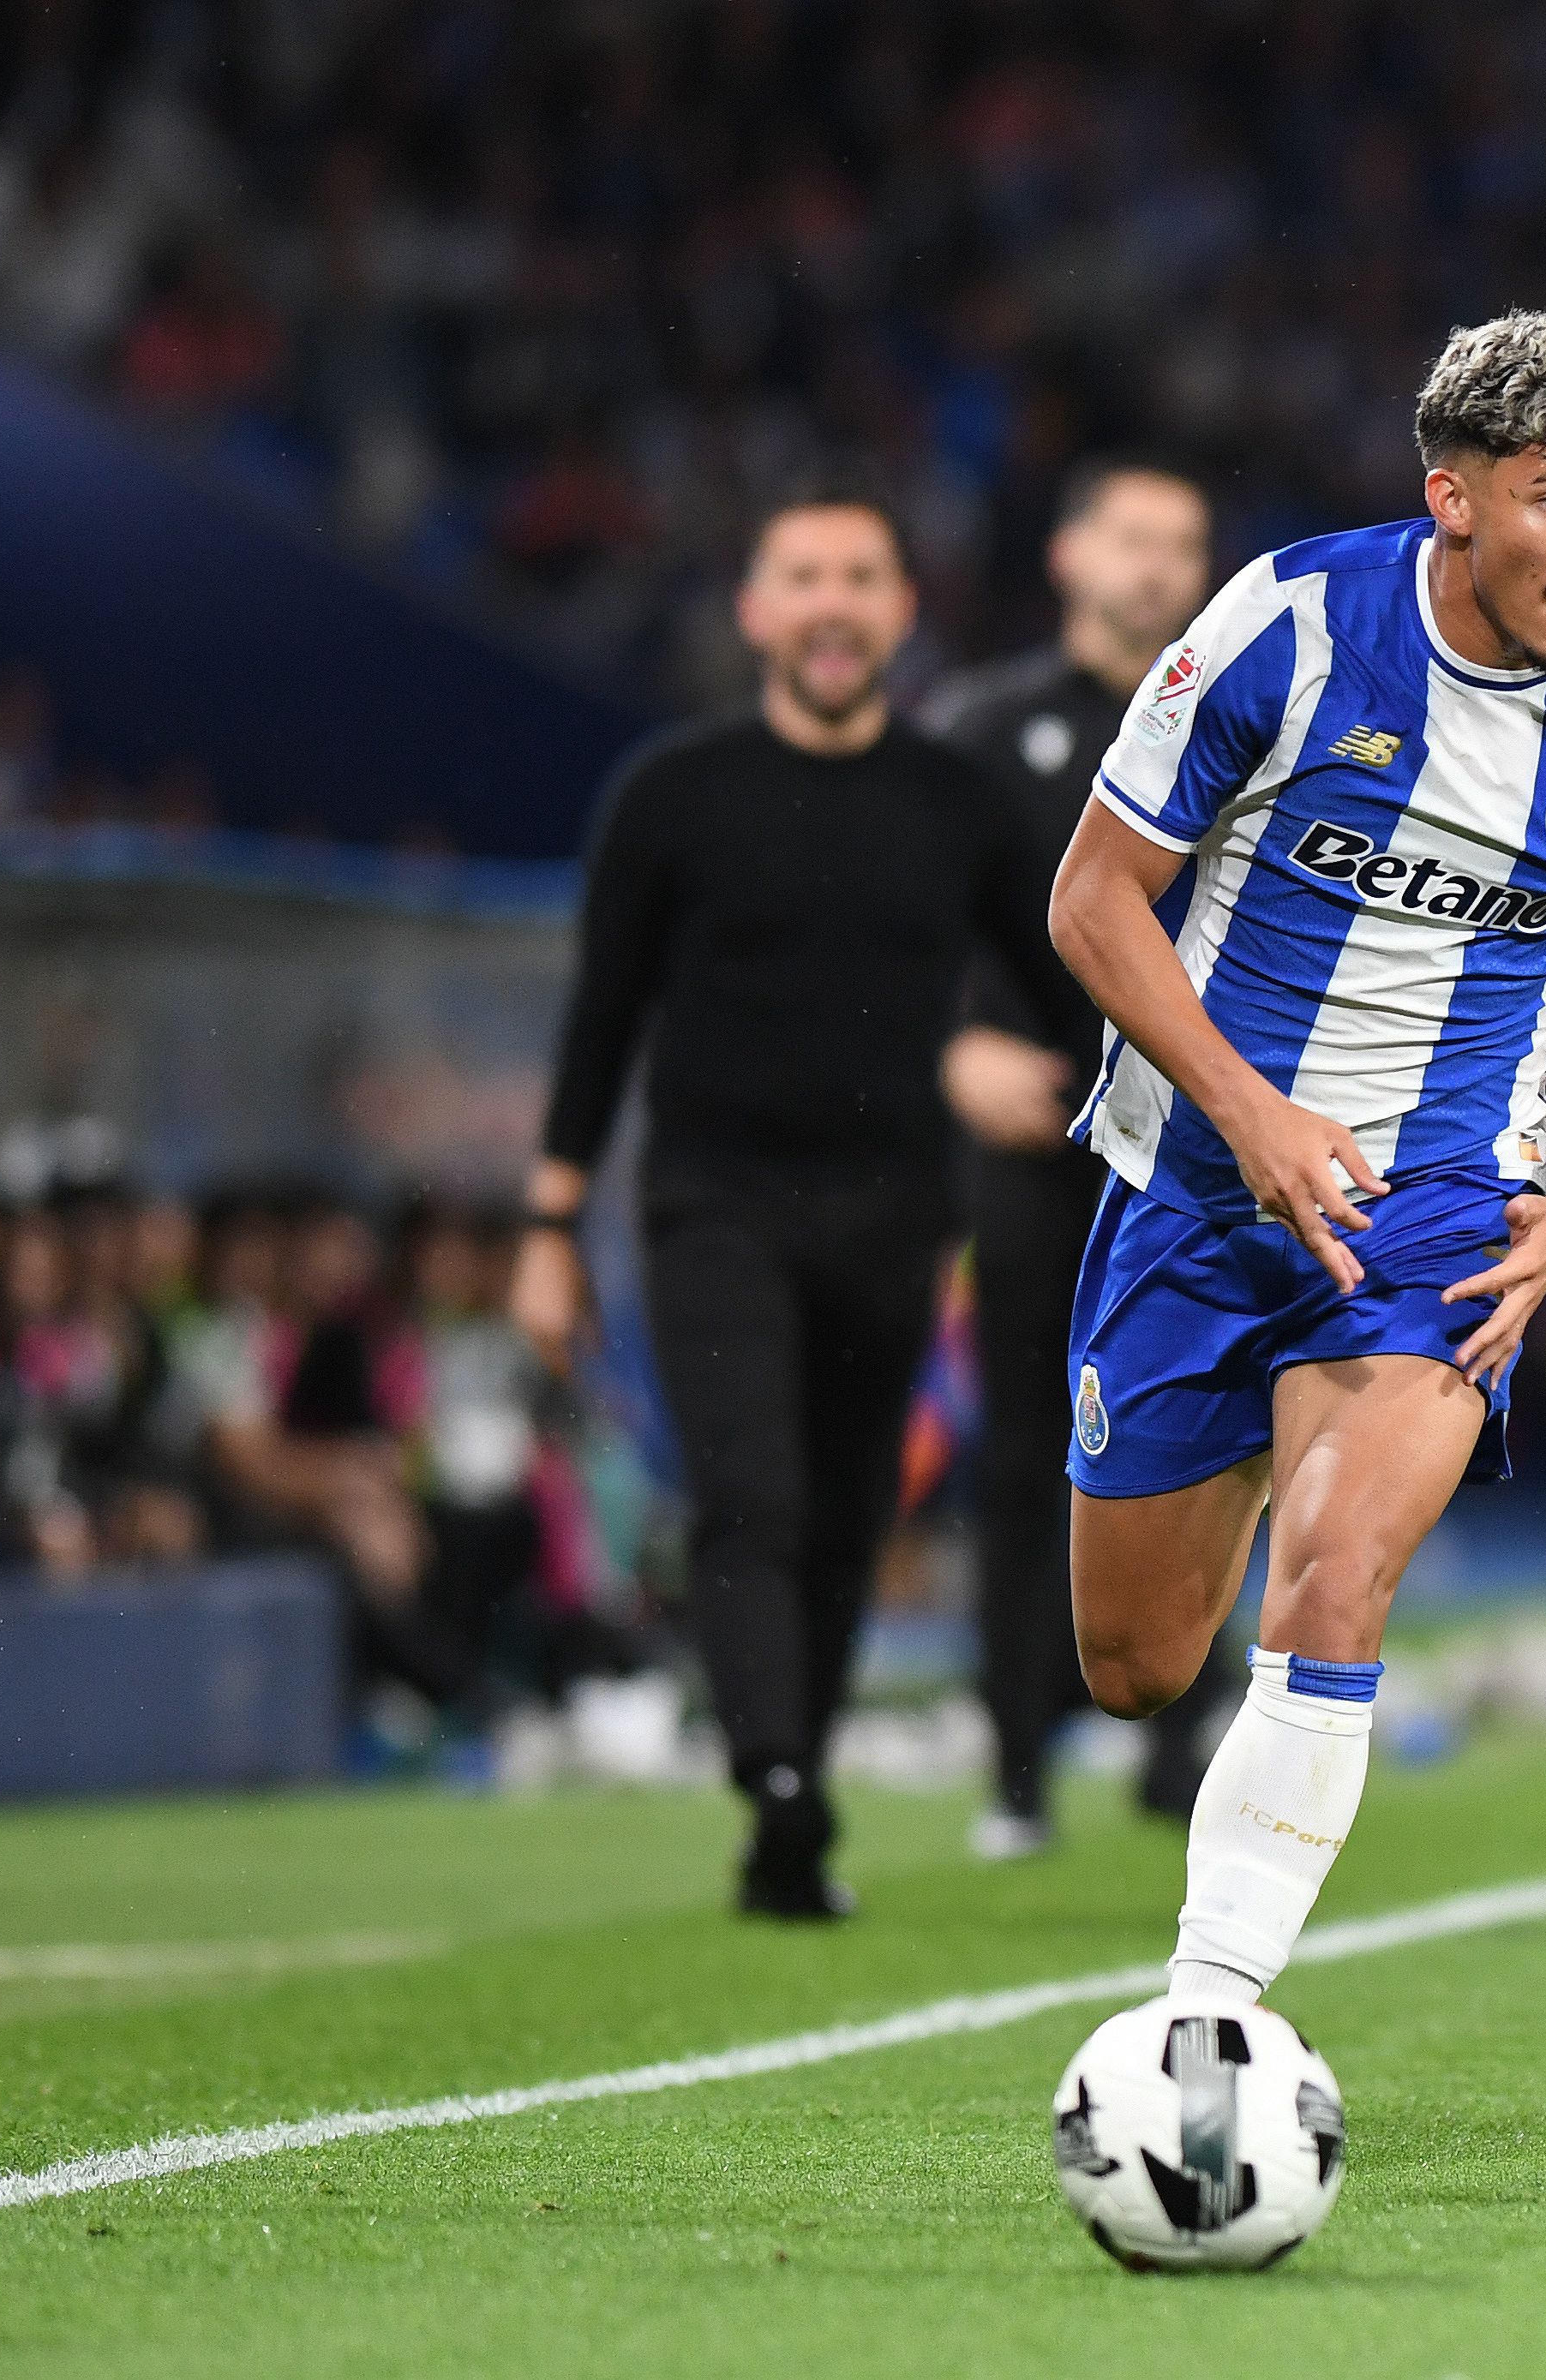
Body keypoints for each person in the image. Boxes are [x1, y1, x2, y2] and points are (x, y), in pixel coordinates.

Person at [1046, 312, 1546, 2016]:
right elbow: (1090, 901)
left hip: (1440, 1204)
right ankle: (1277, 1440)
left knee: (1337, 1573)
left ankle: (1207, 2019)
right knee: (1135, 1669)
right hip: (1197, 1185)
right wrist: (1248, 1113)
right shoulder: (1284, 628)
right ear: (1452, 497)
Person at [512, 489, 1080, 1919]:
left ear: (902, 611)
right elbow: (601, 1020)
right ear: (756, 611)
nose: (833, 604)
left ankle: (793, 1782)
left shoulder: (962, 806)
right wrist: (546, 1226)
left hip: (895, 1214)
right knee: (750, 1494)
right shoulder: (670, 795)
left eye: (862, 578)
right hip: (713, 1204)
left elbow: (1066, 978)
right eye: (803, 578)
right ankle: (776, 1778)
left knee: (838, 1519)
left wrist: (1010, 1053)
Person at [921, 457, 1229, 1859]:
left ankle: (1188, 1734)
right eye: (1133, 536)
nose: (1161, 566)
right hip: (1039, 1141)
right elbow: (882, 920)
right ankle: (1015, 1760)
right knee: (1023, 1452)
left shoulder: (1242, 717)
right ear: (1067, 552)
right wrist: (946, 1050)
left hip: (1197, 1142)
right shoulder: (981, 730)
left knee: (1216, 1429)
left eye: (1186, 544)